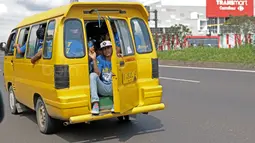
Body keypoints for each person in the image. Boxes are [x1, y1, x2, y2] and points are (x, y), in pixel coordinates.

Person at [89, 40, 114, 115]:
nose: (107, 50)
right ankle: (95, 104)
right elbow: (97, 73)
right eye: (104, 49)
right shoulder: (100, 58)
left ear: (112, 48)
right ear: (102, 51)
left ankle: (117, 103)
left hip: (114, 87)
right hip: (103, 87)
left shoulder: (117, 57)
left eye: (108, 48)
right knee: (93, 75)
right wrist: (94, 59)